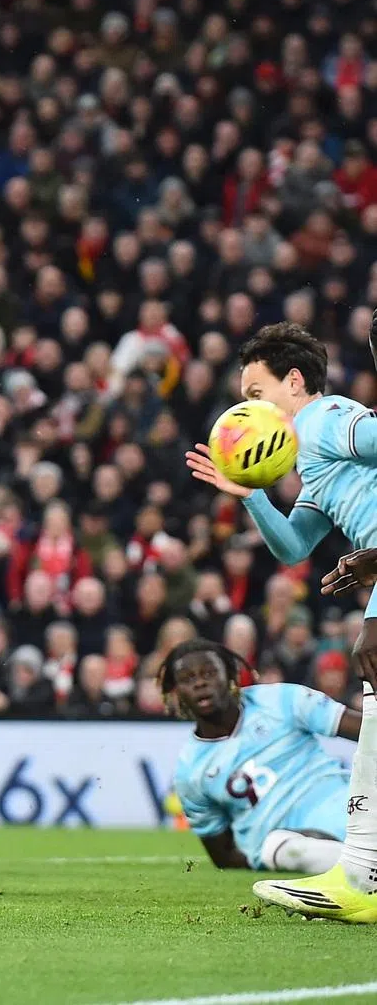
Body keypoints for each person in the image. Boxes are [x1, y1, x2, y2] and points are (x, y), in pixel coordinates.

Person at [185, 320, 377, 920]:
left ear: (295, 382)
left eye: (255, 392)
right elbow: (294, 546)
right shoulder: (315, 460)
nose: (246, 408)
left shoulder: (324, 419)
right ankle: (362, 875)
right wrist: (251, 495)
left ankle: (360, 875)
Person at [163, 639, 359, 873]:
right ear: (177, 693)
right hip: (286, 846)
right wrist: (263, 861)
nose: (200, 683)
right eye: (187, 679)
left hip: (350, 808)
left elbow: (367, 730)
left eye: (210, 673)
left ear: (231, 676)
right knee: (284, 849)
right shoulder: (190, 772)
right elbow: (223, 855)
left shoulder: (282, 700)